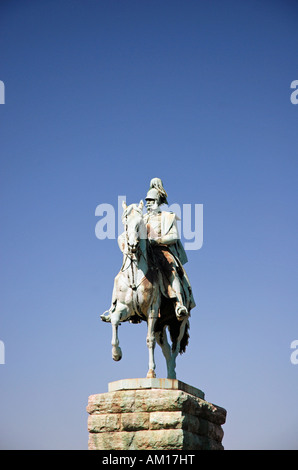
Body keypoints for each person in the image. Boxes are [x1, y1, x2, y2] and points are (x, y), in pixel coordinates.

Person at [144, 178, 195, 320]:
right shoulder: (142, 219)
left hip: (162, 251)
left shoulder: (167, 217)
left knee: (171, 270)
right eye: (147, 201)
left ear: (158, 202)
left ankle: (179, 303)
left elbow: (174, 236)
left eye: (151, 201)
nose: (148, 204)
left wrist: (157, 240)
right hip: (146, 253)